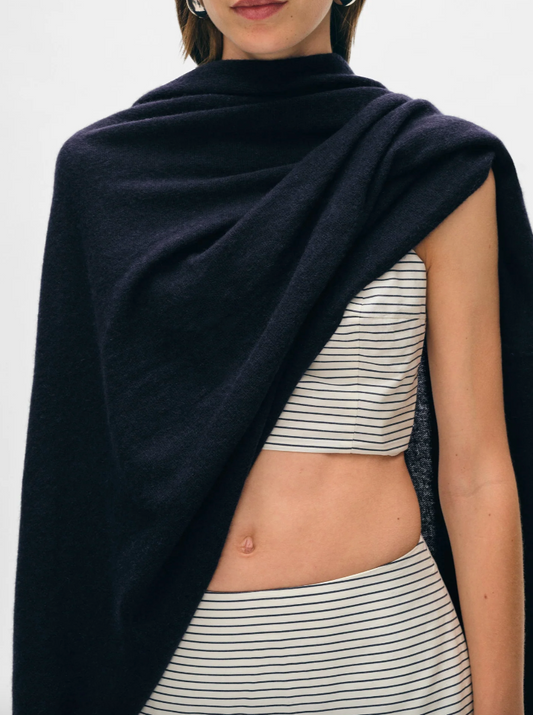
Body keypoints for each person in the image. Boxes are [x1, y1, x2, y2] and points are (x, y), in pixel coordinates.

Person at [12, 1, 529, 714]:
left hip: (391, 670)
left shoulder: (430, 167)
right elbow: (71, 476)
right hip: (174, 685)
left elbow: (476, 476)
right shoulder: (101, 176)